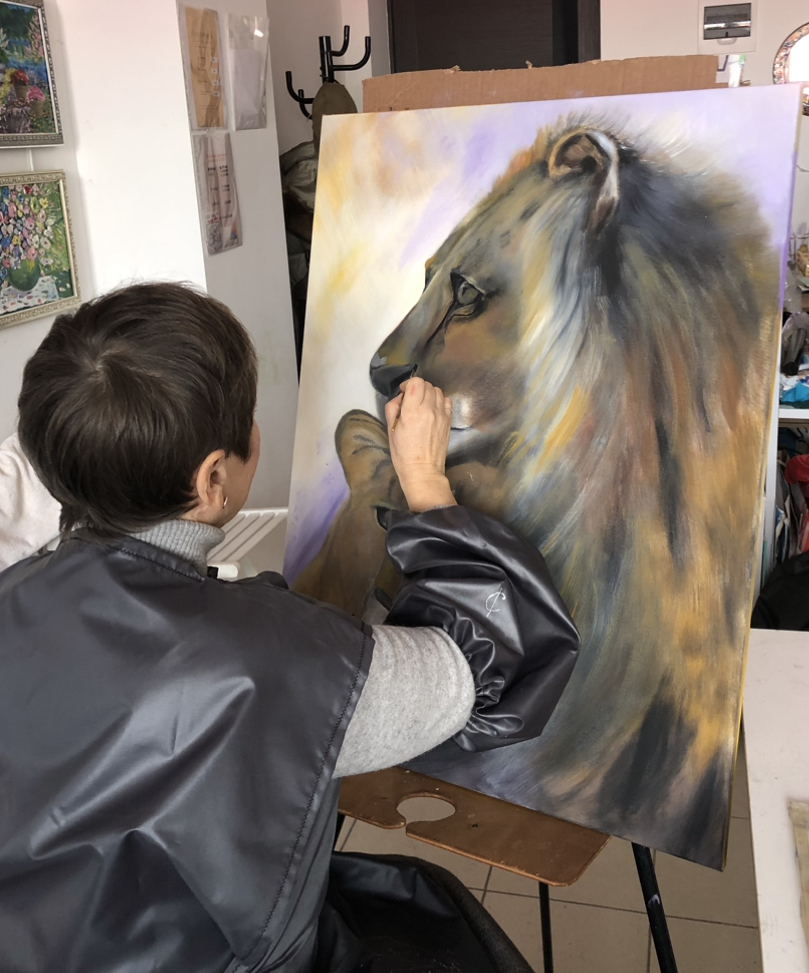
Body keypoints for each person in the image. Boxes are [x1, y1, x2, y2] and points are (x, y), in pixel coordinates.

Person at [0, 282, 579, 973]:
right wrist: (426, 483)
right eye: (248, 418)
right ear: (213, 481)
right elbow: (484, 666)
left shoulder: (15, 590)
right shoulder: (266, 665)